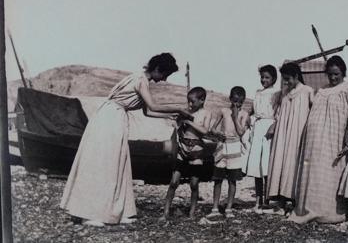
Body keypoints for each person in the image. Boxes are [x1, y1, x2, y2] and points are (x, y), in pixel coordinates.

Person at [60, 53, 192, 226]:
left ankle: (113, 211)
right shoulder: (140, 80)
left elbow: (148, 112)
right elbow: (152, 106)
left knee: (117, 162)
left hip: (116, 118)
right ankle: (89, 213)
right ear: (158, 69)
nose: (164, 79)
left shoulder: (141, 80)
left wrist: (174, 114)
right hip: (109, 119)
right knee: (103, 162)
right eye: (165, 74)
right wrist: (179, 109)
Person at [289, 55, 348, 223]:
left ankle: (330, 211)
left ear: (343, 72)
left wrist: (347, 134)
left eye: (336, 74)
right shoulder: (321, 90)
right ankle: (309, 207)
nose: (333, 77)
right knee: (314, 169)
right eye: (330, 74)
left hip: (334, 136)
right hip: (314, 139)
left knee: (330, 169)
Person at [163, 87, 223, 219]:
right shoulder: (185, 112)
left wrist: (189, 121)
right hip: (183, 147)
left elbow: (204, 131)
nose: (190, 104)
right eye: (188, 101)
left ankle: (191, 213)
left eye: (192, 101)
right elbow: (177, 128)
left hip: (196, 150)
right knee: (173, 182)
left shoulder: (206, 113)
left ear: (202, 100)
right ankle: (166, 212)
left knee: (194, 184)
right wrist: (179, 121)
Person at [265, 62, 313, 216]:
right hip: (283, 133)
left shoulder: (307, 91)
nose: (286, 82)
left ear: (296, 76)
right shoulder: (284, 93)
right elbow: (279, 112)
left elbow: (313, 111)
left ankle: (293, 199)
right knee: (281, 161)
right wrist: (274, 125)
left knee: (294, 163)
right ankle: (280, 199)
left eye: (288, 79)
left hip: (298, 132)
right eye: (284, 79)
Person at [207, 86, 250, 221]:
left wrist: (236, 116)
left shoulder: (244, 114)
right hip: (223, 146)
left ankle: (229, 207)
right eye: (235, 101)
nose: (237, 104)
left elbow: (241, 132)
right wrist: (217, 133)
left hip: (235, 147)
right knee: (218, 179)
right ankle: (215, 207)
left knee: (232, 180)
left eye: (240, 102)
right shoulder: (223, 111)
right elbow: (212, 129)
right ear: (230, 99)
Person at [244, 65, 279, 213]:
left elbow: (278, 112)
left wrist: (274, 126)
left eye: (267, 77)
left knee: (266, 164)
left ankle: (267, 200)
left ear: (273, 79)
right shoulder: (258, 93)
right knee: (257, 165)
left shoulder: (277, 93)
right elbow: (253, 110)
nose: (264, 80)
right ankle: (258, 200)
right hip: (257, 127)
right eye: (262, 77)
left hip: (269, 126)